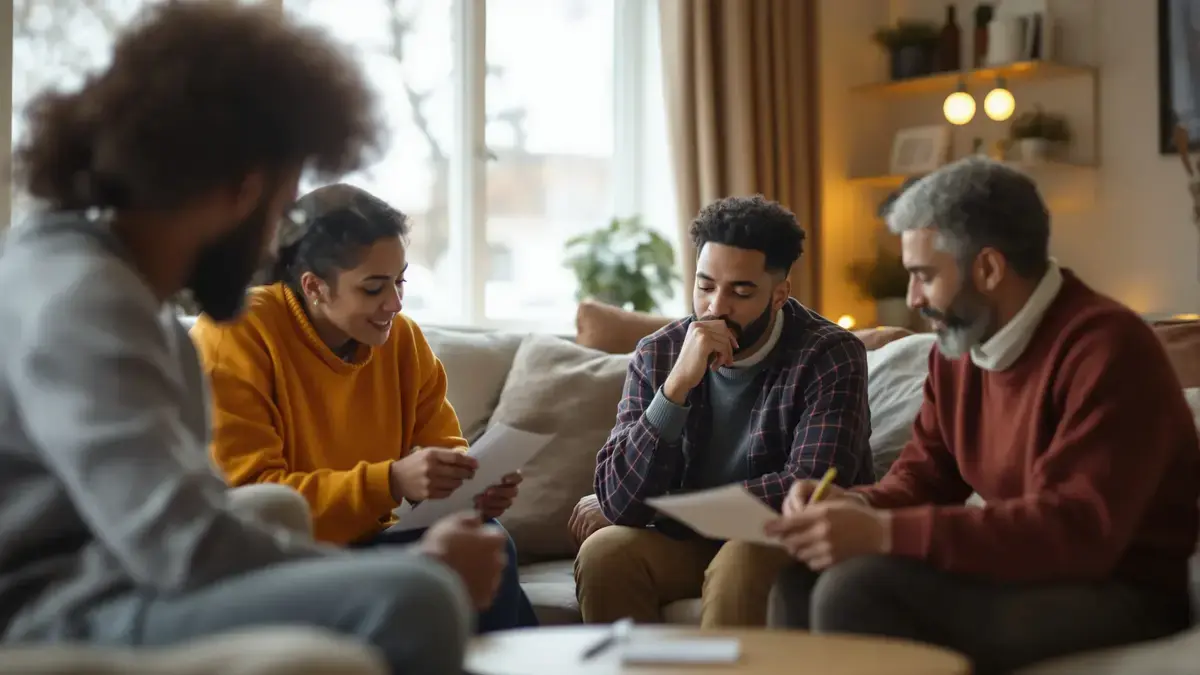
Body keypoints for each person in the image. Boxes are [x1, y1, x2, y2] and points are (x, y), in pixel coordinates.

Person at [0, 4, 505, 673]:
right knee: (420, 597)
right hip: (54, 606)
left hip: (107, 577)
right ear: (241, 189)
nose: (274, 242)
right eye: (279, 207)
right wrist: (421, 563)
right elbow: (179, 544)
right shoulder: (86, 297)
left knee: (315, 533)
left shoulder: (106, 277)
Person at [765, 157, 1200, 675]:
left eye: (924, 276)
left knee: (854, 591)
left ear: (989, 269)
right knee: (799, 579)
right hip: (1028, 570)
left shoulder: (1109, 349)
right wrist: (848, 504)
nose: (912, 298)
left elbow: (1076, 529)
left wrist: (882, 535)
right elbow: (922, 477)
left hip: (1122, 588)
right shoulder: (960, 351)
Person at [191, 183, 538, 632]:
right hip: (283, 557)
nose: (394, 304)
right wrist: (390, 481)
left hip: (372, 538)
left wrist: (470, 490)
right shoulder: (235, 332)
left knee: (487, 540)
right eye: (374, 288)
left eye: (400, 281)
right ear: (314, 287)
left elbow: (445, 450)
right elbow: (256, 500)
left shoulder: (403, 341)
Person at [568, 195, 875, 627]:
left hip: (779, 538)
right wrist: (675, 387)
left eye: (741, 291)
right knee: (604, 554)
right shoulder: (659, 353)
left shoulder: (831, 354)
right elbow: (619, 500)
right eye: (705, 285)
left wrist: (668, 508)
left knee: (741, 557)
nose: (715, 308)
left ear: (779, 294)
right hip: (689, 542)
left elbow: (814, 484)